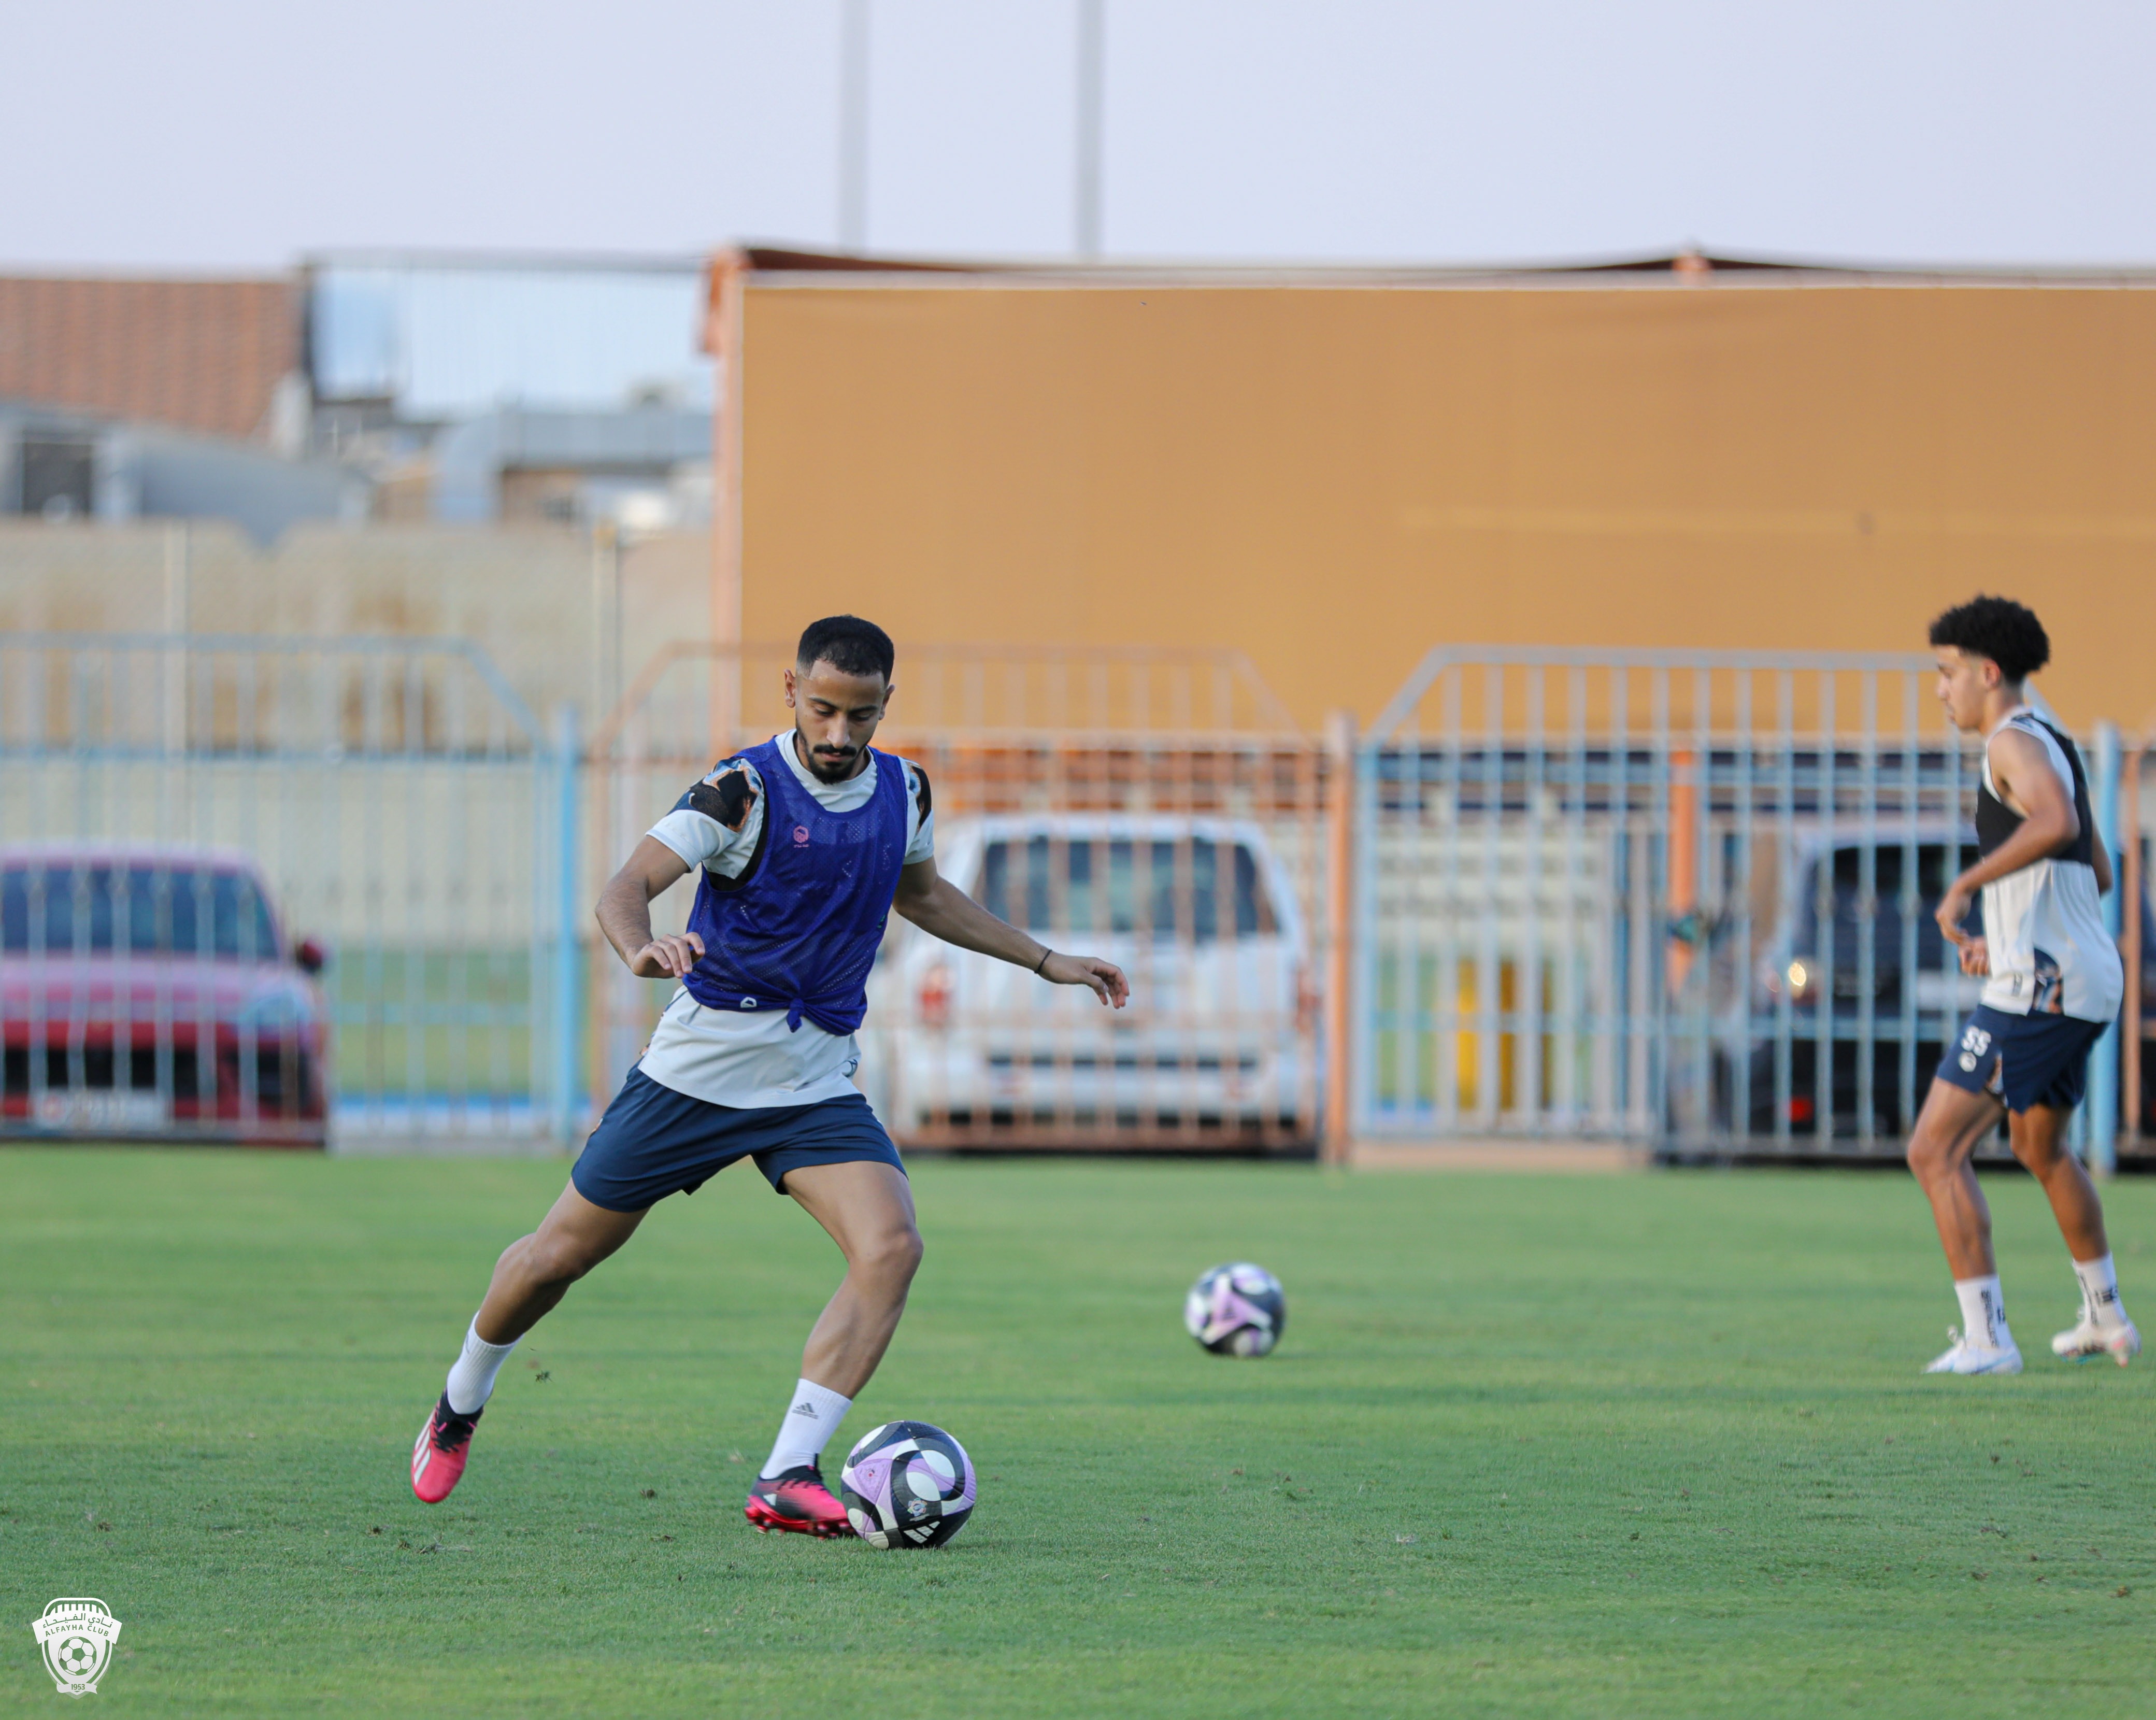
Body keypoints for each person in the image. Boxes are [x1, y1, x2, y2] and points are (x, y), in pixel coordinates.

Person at [409, 615, 1130, 1532]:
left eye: (859, 716)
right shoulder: (740, 790)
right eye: (822, 709)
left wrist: (1045, 960)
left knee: (891, 1247)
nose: (838, 734)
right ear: (790, 691)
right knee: (557, 1258)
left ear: (884, 708)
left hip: (813, 1078)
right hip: (700, 1069)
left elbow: (923, 895)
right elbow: (623, 889)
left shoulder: (904, 789)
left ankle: (787, 1472)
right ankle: (461, 1397)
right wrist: (638, 950)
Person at [1905, 595, 2135, 1375]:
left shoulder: (2010, 740)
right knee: (2040, 1148)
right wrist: (2006, 936)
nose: (1939, 689)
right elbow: (2094, 869)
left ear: (1987, 672)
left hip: (2042, 987)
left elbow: (2057, 826)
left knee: (1933, 1149)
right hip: (2076, 976)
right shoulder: (2052, 736)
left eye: (1945, 673)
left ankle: (1985, 1338)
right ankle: (2105, 1318)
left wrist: (1966, 883)